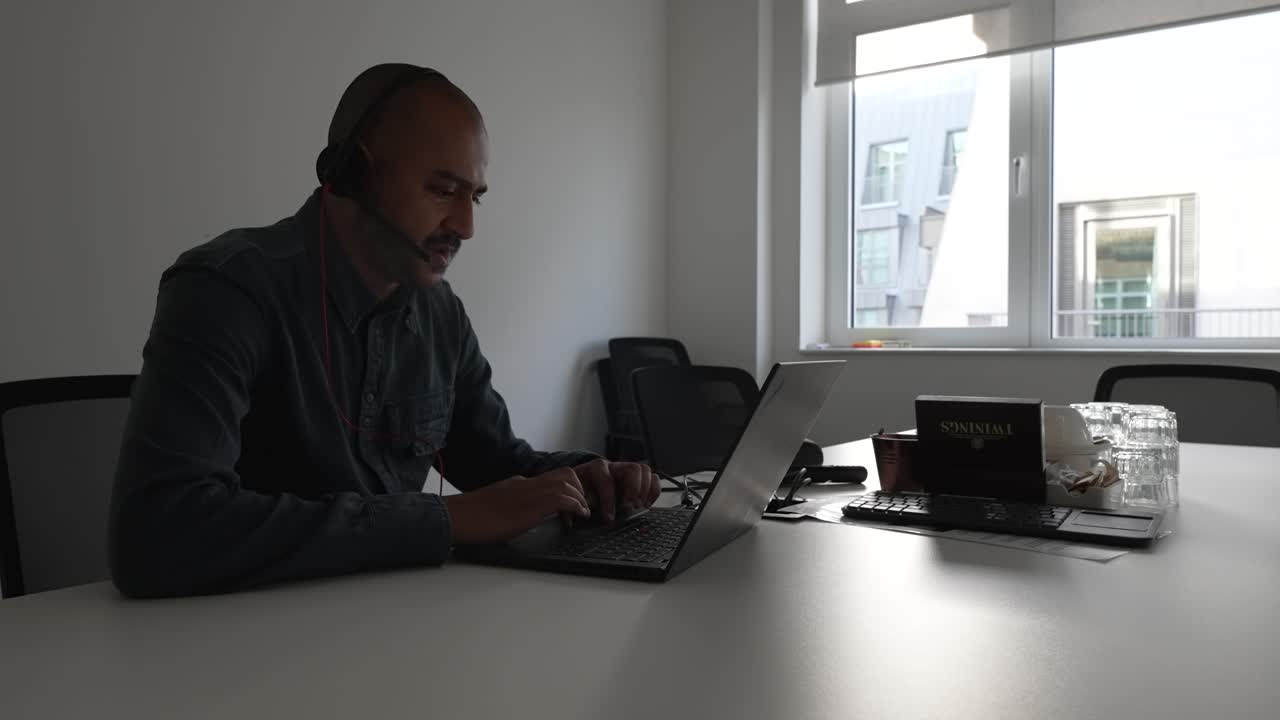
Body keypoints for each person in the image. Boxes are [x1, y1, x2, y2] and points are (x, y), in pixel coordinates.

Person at [108, 64, 659, 598]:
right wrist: (440, 521)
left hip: (389, 633)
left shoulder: (440, 313)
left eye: (476, 196)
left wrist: (589, 477)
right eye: (443, 190)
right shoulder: (227, 291)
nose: (466, 226)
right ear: (352, 174)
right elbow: (159, 534)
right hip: (236, 651)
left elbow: (495, 465)